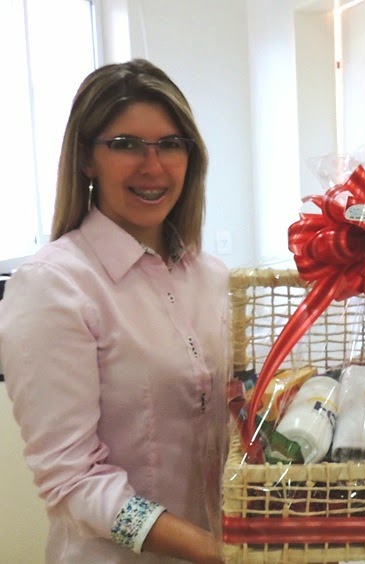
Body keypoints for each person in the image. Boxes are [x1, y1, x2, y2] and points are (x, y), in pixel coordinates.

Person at [0, 59, 228, 563]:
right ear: (86, 157)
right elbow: (73, 480)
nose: (153, 166)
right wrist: (217, 551)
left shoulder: (210, 277)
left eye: (171, 144)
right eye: (126, 145)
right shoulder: (53, 286)